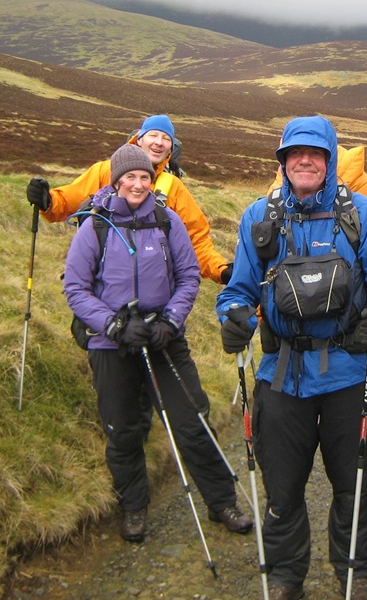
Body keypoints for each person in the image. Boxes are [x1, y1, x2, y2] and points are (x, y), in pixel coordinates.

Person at [216, 115, 367, 600]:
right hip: (281, 376)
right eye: (295, 154)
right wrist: (233, 317)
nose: (305, 161)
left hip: (350, 372)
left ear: (330, 160)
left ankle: (354, 572)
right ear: (283, 161)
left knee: (354, 485)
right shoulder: (259, 216)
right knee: (283, 488)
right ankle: (287, 577)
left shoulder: (361, 215)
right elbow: (238, 291)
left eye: (315, 153)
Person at [62, 144, 252, 541]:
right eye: (129, 177)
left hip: (165, 341)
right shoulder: (94, 225)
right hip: (112, 346)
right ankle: (133, 507)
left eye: (144, 177)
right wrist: (112, 325)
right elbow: (76, 289)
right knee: (123, 430)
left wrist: (171, 319)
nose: (137, 184)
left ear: (153, 180)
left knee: (193, 423)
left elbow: (188, 275)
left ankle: (222, 502)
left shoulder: (167, 220)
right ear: (116, 181)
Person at [26, 113, 232, 285]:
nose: (159, 142)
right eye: (153, 135)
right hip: (102, 285)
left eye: (166, 138)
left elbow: (196, 238)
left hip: (155, 289)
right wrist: (48, 201)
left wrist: (220, 270)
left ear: (171, 148)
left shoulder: (173, 187)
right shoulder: (106, 171)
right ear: (139, 139)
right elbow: (70, 200)